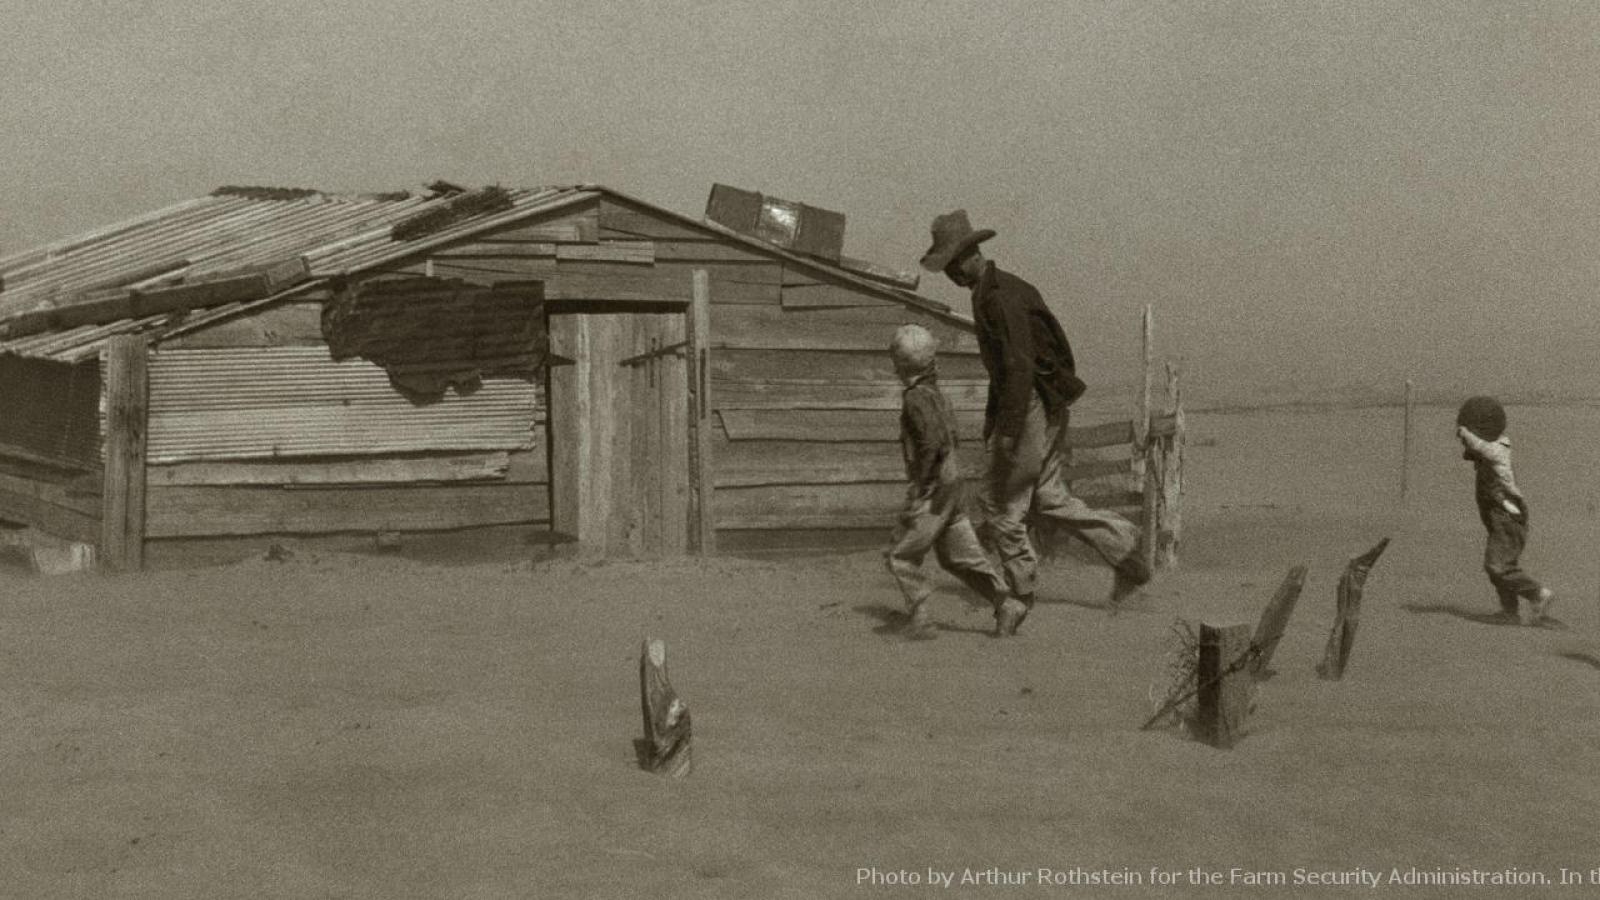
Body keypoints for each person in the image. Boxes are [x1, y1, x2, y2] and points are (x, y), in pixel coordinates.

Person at [919, 210, 1149, 636]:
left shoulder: (999, 297)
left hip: (1031, 406)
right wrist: (999, 421)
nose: (950, 274)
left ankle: (1019, 597)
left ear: (971, 254)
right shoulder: (992, 288)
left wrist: (1007, 432)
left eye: (953, 264)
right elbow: (1009, 370)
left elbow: (1019, 367)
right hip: (1038, 403)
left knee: (1002, 503)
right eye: (946, 267)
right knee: (1050, 498)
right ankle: (1127, 554)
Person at [883, 324, 1011, 639]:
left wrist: (921, 489)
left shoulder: (914, 398)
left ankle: (921, 619)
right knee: (958, 555)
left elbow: (931, 443)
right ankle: (1006, 604)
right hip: (954, 485)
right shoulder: (938, 394)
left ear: (900, 364)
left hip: (936, 487)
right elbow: (949, 438)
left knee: (901, 554)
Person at [1456, 395, 1557, 625]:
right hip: (1497, 518)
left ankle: (1538, 594)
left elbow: (1482, 448)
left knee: (1496, 566)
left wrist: (1466, 433)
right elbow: (1474, 451)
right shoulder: (1487, 447)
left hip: (1508, 518)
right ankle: (1509, 612)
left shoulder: (1499, 449)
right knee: (1502, 566)